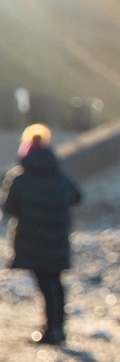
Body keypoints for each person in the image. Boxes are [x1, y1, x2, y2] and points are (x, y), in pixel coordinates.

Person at [1, 123, 82, 345]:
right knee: (55, 281)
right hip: (57, 237)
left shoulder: (20, 177)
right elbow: (77, 196)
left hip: (32, 239)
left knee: (45, 283)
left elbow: (8, 208)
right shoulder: (59, 175)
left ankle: (51, 329)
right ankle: (58, 328)